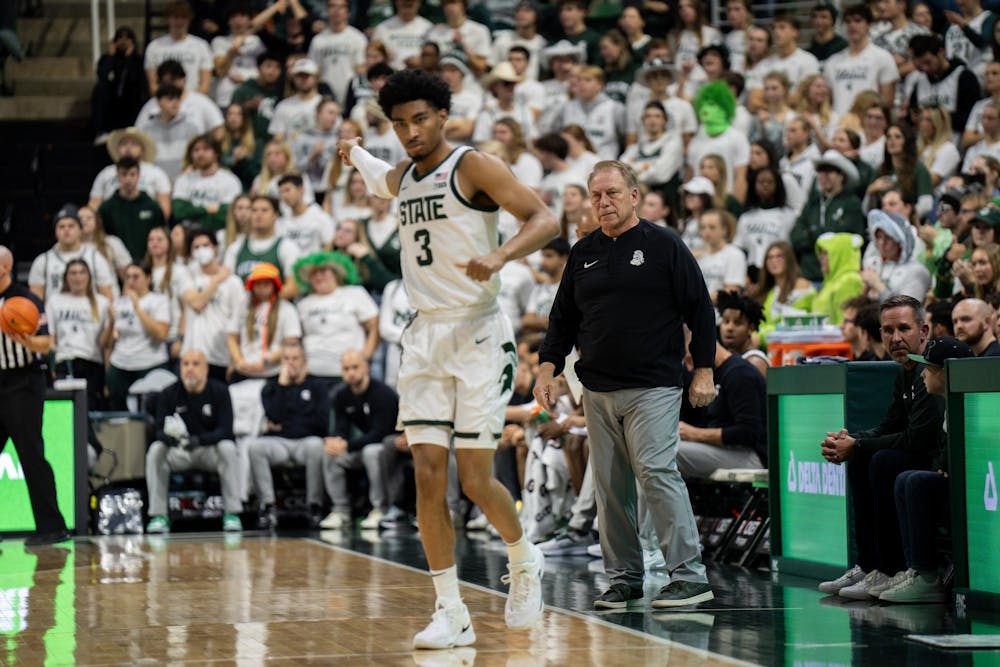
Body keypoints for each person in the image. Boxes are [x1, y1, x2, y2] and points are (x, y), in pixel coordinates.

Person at [336, 67, 558, 648]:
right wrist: (354, 152)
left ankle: (523, 556)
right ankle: (450, 611)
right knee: (427, 476)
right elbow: (381, 178)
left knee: (476, 479)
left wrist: (503, 255)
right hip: (424, 337)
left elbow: (545, 218)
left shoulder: (472, 165)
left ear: (441, 116)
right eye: (399, 124)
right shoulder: (405, 175)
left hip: (479, 334)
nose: (410, 132)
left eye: (419, 119)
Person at [534, 160, 717, 610]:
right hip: (596, 389)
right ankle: (623, 579)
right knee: (610, 487)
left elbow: (700, 308)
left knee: (655, 472)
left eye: (612, 193)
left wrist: (705, 368)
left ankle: (690, 576)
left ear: (634, 196)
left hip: (653, 384)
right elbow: (562, 319)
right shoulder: (582, 252)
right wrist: (547, 367)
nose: (603, 202)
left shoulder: (664, 245)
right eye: (596, 195)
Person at [818, 296, 945, 599]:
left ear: (924, 331)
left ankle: (892, 568)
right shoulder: (905, 369)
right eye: (888, 330)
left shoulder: (931, 368)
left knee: (882, 460)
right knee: (864, 457)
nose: (895, 338)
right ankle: (869, 565)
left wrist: (859, 444)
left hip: (938, 459)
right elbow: (891, 424)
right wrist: (852, 440)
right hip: (919, 451)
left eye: (904, 328)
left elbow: (918, 438)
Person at [879, 336, 976, 603]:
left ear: (945, 373)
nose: (922, 374)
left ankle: (928, 578)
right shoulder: (947, 407)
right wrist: (942, 467)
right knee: (905, 478)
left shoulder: (971, 406)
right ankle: (915, 569)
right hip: (955, 482)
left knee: (917, 482)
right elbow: (942, 455)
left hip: (974, 489)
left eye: (929, 368)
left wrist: (945, 468)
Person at [0, 246, 71, 546]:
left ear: (5, 266)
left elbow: (48, 342)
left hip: (22, 383)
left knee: (31, 455)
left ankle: (52, 527)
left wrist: (29, 341)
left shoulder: (24, 300)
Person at [145, 349, 243, 534]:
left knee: (228, 448)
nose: (190, 369)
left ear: (206, 369)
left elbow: (226, 431)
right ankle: (158, 516)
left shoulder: (220, 391)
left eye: (195, 364)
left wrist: (199, 440)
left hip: (207, 451)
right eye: (186, 364)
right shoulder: (168, 393)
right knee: (156, 449)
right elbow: (158, 430)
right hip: (180, 452)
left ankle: (232, 513)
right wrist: (167, 437)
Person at [248, 340, 330, 530]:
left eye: (295, 359)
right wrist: (283, 386)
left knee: (316, 445)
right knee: (255, 447)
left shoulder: (317, 386)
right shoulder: (271, 387)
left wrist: (286, 425)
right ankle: (267, 507)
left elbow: (321, 424)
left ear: (304, 361)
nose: (290, 363)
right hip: (280, 444)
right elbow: (274, 415)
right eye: (286, 359)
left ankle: (314, 506)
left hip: (306, 443)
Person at [322, 350, 400, 529]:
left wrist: (347, 444)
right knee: (330, 452)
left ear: (366, 368)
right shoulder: (342, 395)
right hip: (363, 447)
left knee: (371, 451)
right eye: (346, 369)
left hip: (389, 448)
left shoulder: (383, 394)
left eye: (355, 367)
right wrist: (337, 442)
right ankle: (341, 511)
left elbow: (380, 433)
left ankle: (379, 508)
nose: (350, 373)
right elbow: (341, 428)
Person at [677, 339, 767, 478]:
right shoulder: (712, 374)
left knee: (665, 454)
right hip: (722, 450)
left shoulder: (739, 374)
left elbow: (748, 432)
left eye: (690, 360)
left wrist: (694, 434)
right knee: (653, 449)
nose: (689, 368)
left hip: (751, 454)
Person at [181, 229, 245, 381]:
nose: (201, 250)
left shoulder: (233, 282)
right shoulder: (187, 276)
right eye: (196, 247)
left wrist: (235, 358)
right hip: (192, 357)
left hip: (221, 356)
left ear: (215, 248)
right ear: (191, 253)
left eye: (205, 245)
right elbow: (197, 303)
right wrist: (216, 281)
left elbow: (240, 319)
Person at [791, 150, 864, 283]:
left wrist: (812, 233)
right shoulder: (812, 204)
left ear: (841, 176)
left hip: (840, 277)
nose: (823, 176)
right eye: (821, 172)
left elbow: (852, 238)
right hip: (809, 276)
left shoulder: (851, 203)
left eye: (829, 172)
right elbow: (795, 237)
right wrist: (825, 235)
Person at [48, 259, 112, 410]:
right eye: (73, 273)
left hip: (92, 362)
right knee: (63, 409)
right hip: (64, 361)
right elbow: (51, 338)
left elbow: (106, 345)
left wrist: (108, 379)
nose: (78, 277)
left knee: (88, 408)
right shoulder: (55, 301)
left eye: (82, 273)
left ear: (89, 276)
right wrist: (52, 367)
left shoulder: (102, 303)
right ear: (66, 277)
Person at [106, 262, 171, 410]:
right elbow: (108, 342)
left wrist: (137, 307)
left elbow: (161, 334)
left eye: (136, 277)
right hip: (120, 363)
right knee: (119, 413)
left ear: (148, 278)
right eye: (128, 277)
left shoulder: (158, 300)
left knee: (151, 412)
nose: (130, 281)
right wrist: (110, 323)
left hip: (149, 362)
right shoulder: (118, 303)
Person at [227, 262, 302, 380]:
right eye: (258, 283)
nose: (262, 287)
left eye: (266, 283)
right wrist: (239, 361)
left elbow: (291, 342)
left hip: (273, 372)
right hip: (244, 370)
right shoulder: (242, 307)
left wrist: (266, 362)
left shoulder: (287, 309)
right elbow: (232, 337)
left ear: (274, 285)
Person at [29, 204, 116, 302]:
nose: (66, 230)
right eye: (61, 227)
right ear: (55, 232)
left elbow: (107, 297)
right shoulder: (43, 261)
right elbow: (36, 302)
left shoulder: (95, 258)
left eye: (71, 226)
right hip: (55, 315)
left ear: (80, 230)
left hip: (89, 314)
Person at [821, 3, 898, 116]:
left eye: (857, 21)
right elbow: (828, 102)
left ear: (868, 25)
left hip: (869, 125)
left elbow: (887, 101)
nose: (852, 25)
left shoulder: (883, 57)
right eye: (848, 21)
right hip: (839, 126)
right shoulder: (832, 62)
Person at [97, 157, 166, 261]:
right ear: (117, 176)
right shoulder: (107, 208)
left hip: (147, 263)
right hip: (118, 265)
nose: (128, 179)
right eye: (124, 174)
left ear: (138, 176)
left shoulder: (152, 206)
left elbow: (161, 234)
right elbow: (102, 238)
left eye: (132, 174)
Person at [172, 134, 243, 232]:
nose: (200, 154)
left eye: (206, 149)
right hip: (188, 232)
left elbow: (226, 214)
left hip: (218, 232)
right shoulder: (184, 180)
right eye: (196, 150)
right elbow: (179, 211)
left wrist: (196, 214)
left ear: (216, 153)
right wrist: (208, 209)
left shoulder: (230, 180)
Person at [144, 0, 212, 95]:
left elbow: (205, 85)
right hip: (165, 102)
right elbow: (153, 86)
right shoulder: (154, 47)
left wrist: (188, 100)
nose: (179, 22)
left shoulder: (201, 46)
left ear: (189, 19)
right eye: (175, 17)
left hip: (193, 102)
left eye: (183, 17)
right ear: (168, 19)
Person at [307, 0, 366, 107]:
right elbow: (314, 71)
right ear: (327, 10)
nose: (336, 10)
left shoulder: (358, 38)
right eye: (332, 6)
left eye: (341, 7)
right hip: (326, 94)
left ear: (348, 12)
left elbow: (361, 69)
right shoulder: (317, 40)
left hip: (351, 94)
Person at [717, 290, 768, 378]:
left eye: (737, 323)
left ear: (750, 328)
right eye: (726, 321)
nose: (729, 328)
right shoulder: (721, 359)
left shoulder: (755, 362)